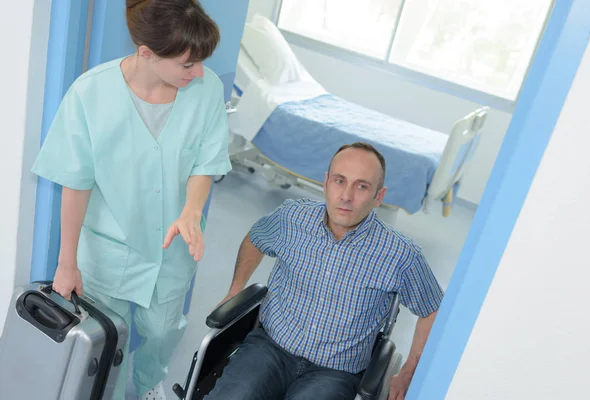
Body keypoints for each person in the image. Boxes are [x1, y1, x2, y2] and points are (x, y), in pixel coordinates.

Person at [30, 1, 231, 399]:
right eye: (187, 64)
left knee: (162, 332)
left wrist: (192, 210)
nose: (199, 72)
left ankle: (147, 390)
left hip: (172, 247)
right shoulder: (91, 93)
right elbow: (76, 182)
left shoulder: (206, 90)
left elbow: (204, 162)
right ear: (147, 53)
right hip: (108, 252)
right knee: (109, 345)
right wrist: (66, 264)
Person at [207, 142, 444, 400]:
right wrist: (234, 289)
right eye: (340, 181)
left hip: (335, 373)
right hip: (269, 348)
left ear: (379, 196)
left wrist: (408, 372)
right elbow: (256, 238)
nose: (346, 195)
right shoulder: (292, 218)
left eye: (362, 186)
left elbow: (432, 309)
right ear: (326, 182)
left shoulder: (400, 254)